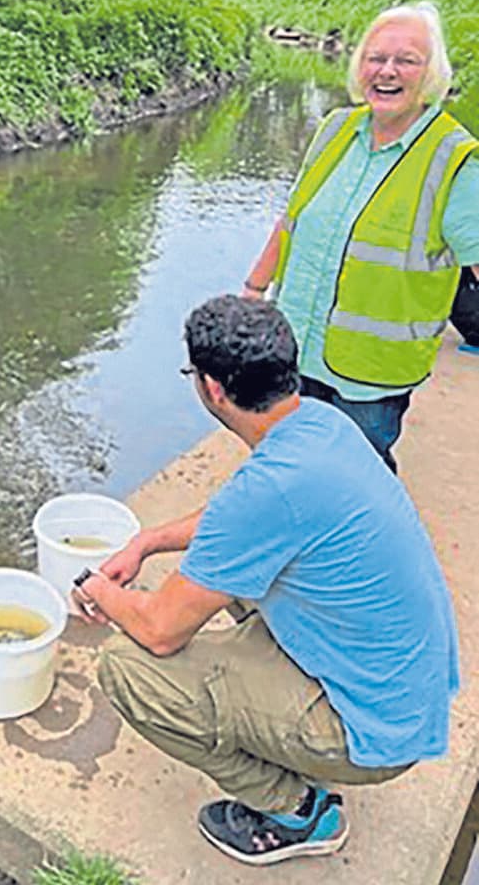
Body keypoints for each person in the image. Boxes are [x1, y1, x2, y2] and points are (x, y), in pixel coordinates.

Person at [72, 295, 458, 867]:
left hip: (372, 732)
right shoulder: (322, 423)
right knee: (233, 574)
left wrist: (95, 586)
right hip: (403, 689)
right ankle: (291, 737)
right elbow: (237, 521)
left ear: (212, 389)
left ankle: (298, 811)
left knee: (129, 670)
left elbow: (159, 632)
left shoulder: (271, 487)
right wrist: (146, 541)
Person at [243, 1, 479, 472]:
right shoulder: (335, 129)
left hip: (370, 379)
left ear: (431, 73)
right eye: (376, 58)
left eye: (406, 60)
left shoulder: (455, 160)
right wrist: (253, 290)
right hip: (296, 351)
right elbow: (292, 219)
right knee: (292, 466)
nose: (387, 71)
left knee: (356, 479)